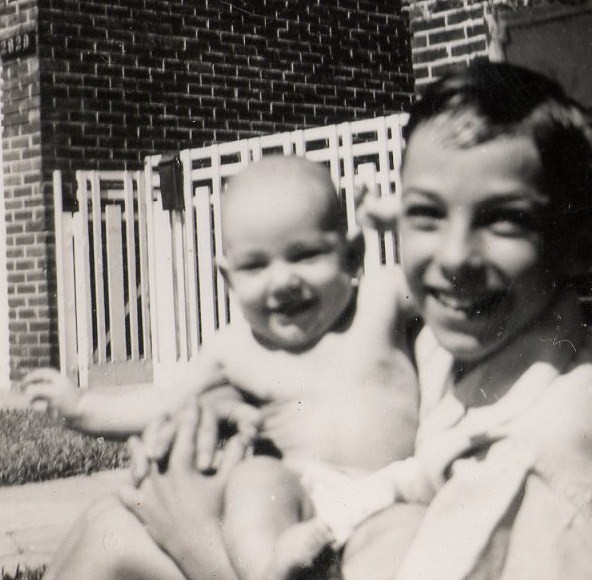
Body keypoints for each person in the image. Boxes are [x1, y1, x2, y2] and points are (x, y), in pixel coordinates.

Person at [45, 61, 592, 580]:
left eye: (503, 220)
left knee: (120, 539)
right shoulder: (487, 341)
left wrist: (197, 545)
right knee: (124, 522)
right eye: (428, 214)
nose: (453, 258)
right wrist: (109, 410)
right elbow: (172, 398)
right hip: (319, 502)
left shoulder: (530, 467)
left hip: (379, 523)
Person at [26, 156, 420, 580]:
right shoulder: (234, 349)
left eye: (305, 255)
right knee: (256, 480)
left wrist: (402, 217)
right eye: (255, 266)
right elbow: (164, 403)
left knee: (398, 543)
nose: (282, 281)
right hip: (298, 502)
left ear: (353, 255)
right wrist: (81, 407)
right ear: (228, 279)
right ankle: (268, 569)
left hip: (393, 490)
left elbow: (443, 273)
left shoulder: (381, 298)